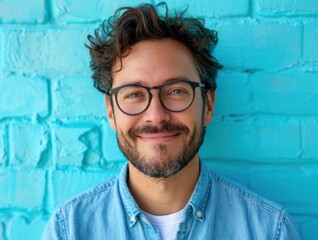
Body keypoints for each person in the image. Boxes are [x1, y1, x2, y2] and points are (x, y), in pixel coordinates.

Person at [42, 3, 300, 240]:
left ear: (208, 105)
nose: (156, 115)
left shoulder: (268, 230)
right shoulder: (70, 229)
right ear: (111, 112)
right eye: (133, 94)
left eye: (176, 91)